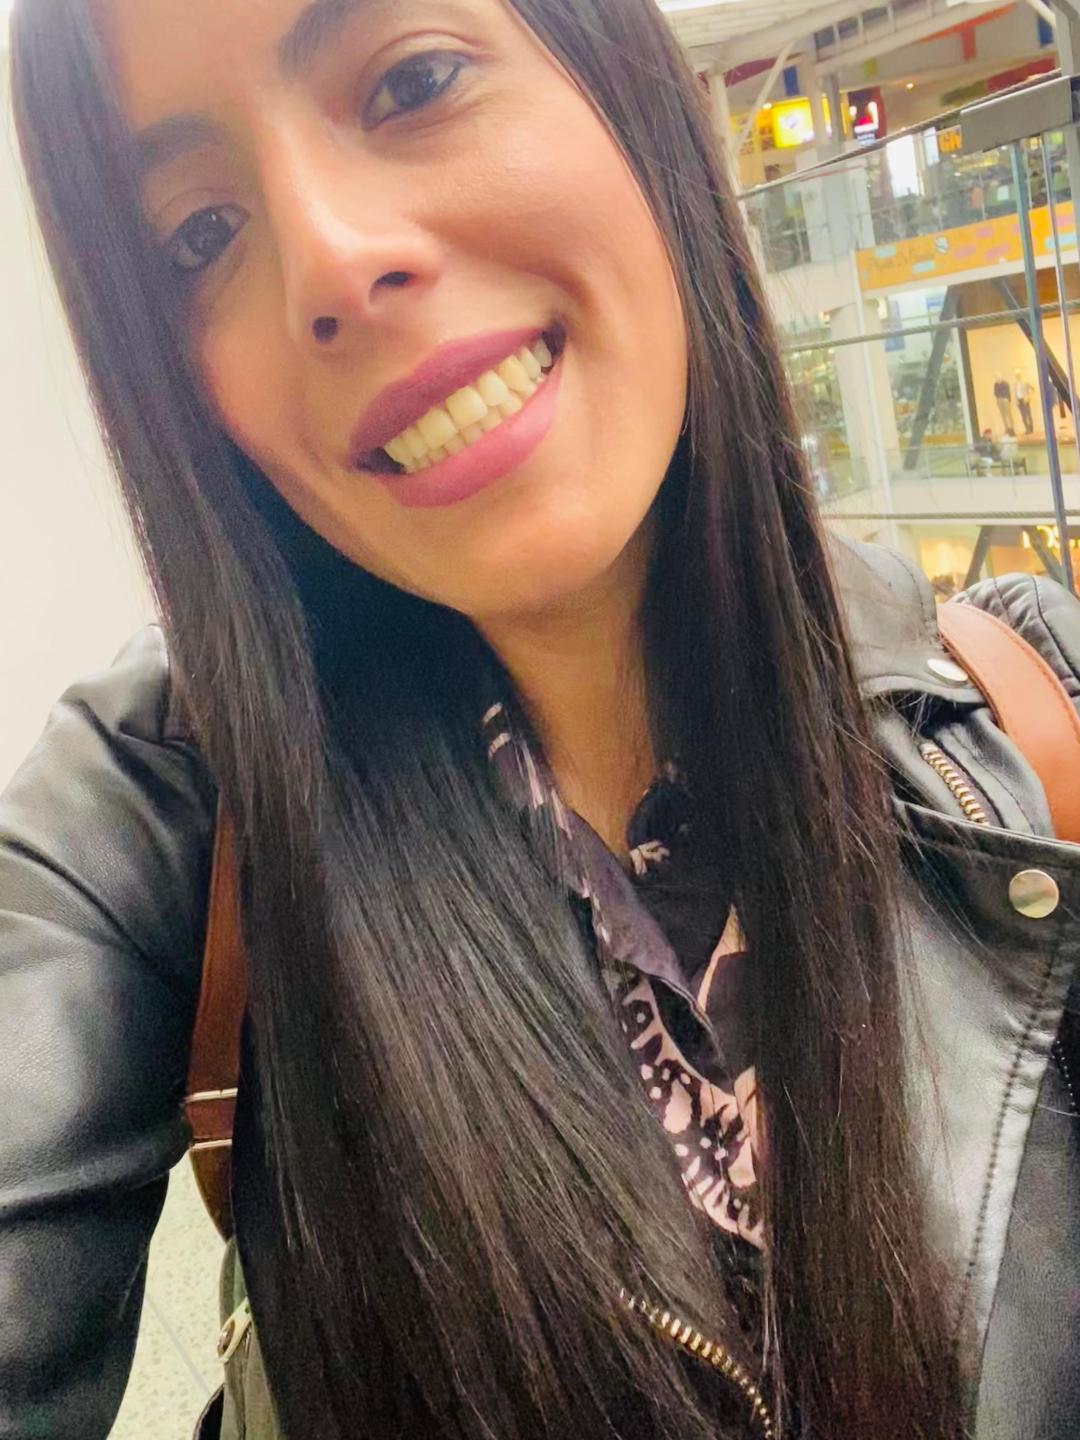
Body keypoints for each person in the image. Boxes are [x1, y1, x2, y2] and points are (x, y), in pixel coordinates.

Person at [2, 4, 1079, 1440]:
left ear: (622, 82)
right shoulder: (155, 809)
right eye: (198, 236)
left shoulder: (1032, 714)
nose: (332, 260)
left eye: (413, 80)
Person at [1015, 369, 1036, 435]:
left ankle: (1031, 429)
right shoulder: (1015, 383)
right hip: (1019, 400)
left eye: (1018, 375)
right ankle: (1027, 429)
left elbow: (1032, 388)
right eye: (1016, 375)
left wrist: (1028, 396)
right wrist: (1016, 401)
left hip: (1025, 400)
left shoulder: (1025, 382)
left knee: (1028, 415)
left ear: (1020, 375)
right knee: (1023, 416)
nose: (1017, 376)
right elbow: (1015, 393)